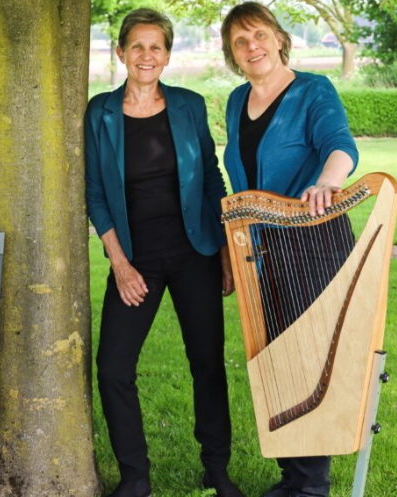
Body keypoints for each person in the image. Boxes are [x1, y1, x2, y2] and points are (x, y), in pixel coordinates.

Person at [85, 8, 243, 497]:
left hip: (194, 251)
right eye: (137, 46)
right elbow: (94, 192)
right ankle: (135, 477)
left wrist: (222, 250)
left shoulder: (189, 106)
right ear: (121, 53)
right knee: (112, 368)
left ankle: (216, 469)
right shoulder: (101, 113)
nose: (146, 56)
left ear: (168, 55)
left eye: (156, 47)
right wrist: (119, 263)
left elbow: (213, 178)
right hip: (136, 259)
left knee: (207, 364)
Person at [219, 3, 360, 497]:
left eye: (258, 35)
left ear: (278, 38)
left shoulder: (313, 90)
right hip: (258, 248)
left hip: (312, 241)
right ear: (232, 54)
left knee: (308, 359)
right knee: (274, 359)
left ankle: (312, 484)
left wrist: (327, 181)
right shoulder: (237, 101)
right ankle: (292, 476)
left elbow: (340, 144)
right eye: (240, 41)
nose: (252, 46)